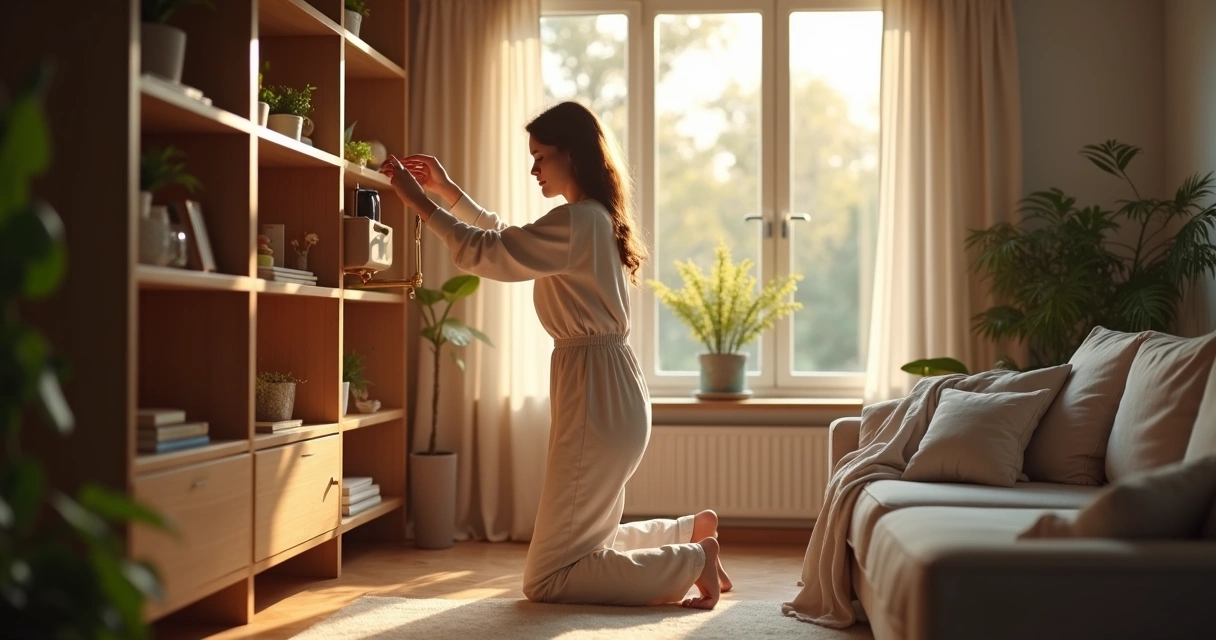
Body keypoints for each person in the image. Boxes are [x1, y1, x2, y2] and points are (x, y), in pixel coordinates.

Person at [379, 101, 732, 609]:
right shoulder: (593, 219)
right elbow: (509, 239)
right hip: (611, 394)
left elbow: (492, 252)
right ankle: (687, 533)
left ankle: (693, 559)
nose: (534, 168)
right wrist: (449, 193)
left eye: (541, 156)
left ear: (573, 154)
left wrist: (422, 204)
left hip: (596, 397)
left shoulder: (578, 221)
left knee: (548, 579)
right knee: (583, 544)